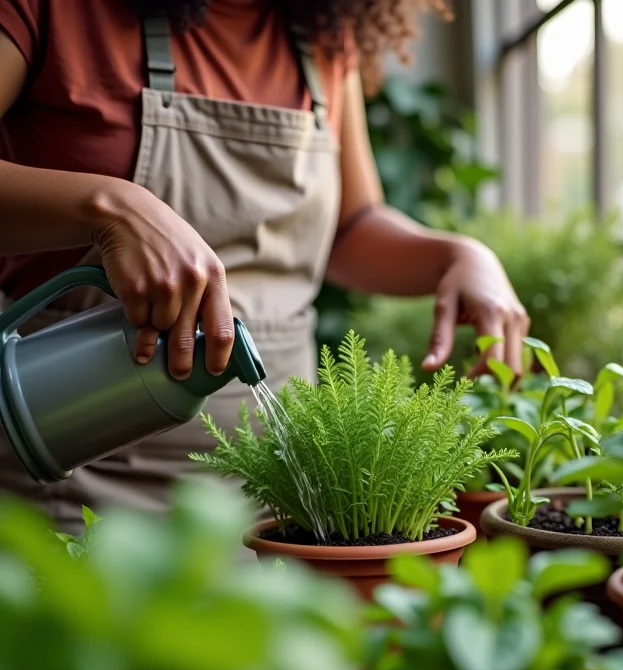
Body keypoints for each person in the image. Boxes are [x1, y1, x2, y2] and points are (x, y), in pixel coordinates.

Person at [0, 0, 529, 532]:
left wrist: (458, 256)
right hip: (76, 485)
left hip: (278, 498)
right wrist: (108, 208)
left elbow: (348, 228)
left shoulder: (320, 33)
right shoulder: (57, 12)